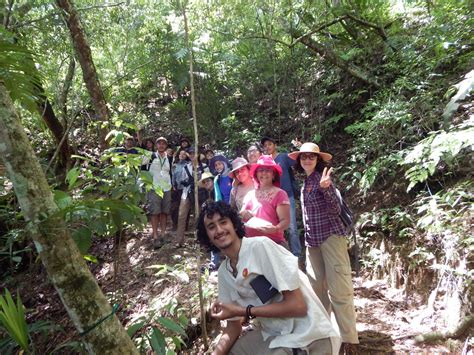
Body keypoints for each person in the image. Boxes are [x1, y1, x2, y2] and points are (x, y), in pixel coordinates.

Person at [196, 201, 341, 354]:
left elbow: (298, 306)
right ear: (207, 237)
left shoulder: (260, 247)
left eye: (223, 222)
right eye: (211, 227)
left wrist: (245, 311)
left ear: (234, 225)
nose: (219, 230)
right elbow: (233, 327)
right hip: (274, 333)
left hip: (308, 333)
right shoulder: (225, 274)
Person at [289, 142, 359, 348]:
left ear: (318, 160)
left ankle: (348, 340)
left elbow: (335, 209)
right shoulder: (305, 184)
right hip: (313, 242)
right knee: (317, 292)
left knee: (339, 290)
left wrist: (326, 189)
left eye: (312, 157)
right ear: (300, 162)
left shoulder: (324, 180)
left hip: (331, 238)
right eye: (304, 157)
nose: (307, 160)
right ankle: (326, 338)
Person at [261, 137, 302, 259]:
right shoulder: (265, 161)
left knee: (292, 227)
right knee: (276, 228)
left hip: (287, 195)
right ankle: (280, 255)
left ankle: (296, 255)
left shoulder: (283, 157)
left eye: (270, 144)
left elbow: (298, 160)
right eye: (265, 145)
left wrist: (299, 146)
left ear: (275, 145)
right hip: (272, 199)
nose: (268, 147)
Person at [240, 155, 290, 247]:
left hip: (274, 243)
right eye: (261, 170)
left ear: (273, 174)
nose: (264, 173)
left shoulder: (280, 194)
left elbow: (285, 221)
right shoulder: (250, 194)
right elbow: (242, 213)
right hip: (252, 243)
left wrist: (275, 229)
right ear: (256, 174)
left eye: (268, 170)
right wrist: (244, 213)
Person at [146, 137, 172, 249]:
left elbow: (171, 172)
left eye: (163, 144)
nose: (161, 145)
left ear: (166, 145)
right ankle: (155, 236)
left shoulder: (169, 158)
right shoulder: (150, 156)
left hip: (166, 188)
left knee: (164, 212)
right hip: (154, 187)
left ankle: (163, 234)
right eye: (159, 143)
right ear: (156, 145)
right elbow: (142, 169)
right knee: (155, 212)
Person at [171, 149, 190, 232]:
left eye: (184, 154)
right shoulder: (175, 165)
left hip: (186, 189)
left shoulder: (188, 165)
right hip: (176, 189)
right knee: (175, 208)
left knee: (185, 208)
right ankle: (175, 225)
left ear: (186, 156)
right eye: (181, 154)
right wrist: (173, 185)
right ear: (178, 156)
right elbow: (173, 176)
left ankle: (185, 226)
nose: (182, 155)